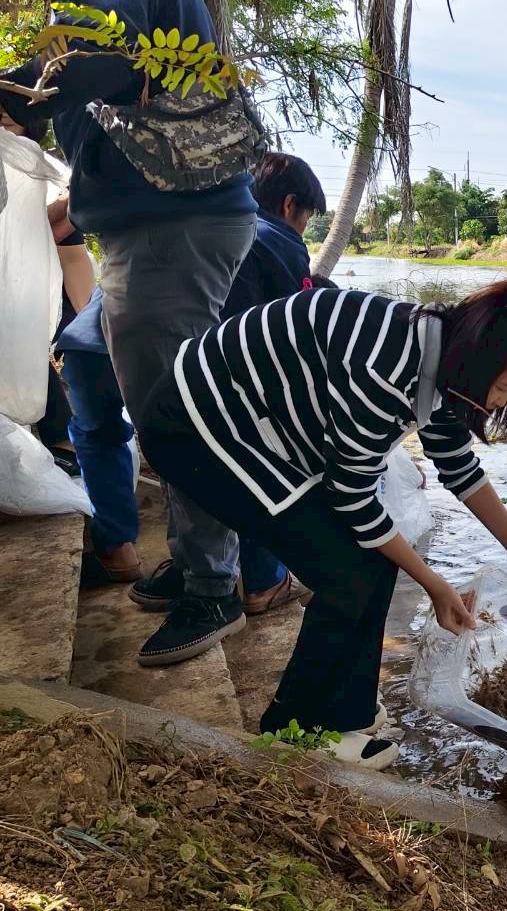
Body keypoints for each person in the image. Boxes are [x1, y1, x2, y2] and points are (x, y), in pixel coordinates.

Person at [136, 280, 507, 769]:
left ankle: (347, 712)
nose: (500, 405)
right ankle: (294, 728)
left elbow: (458, 466)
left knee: (372, 562)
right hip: (196, 424)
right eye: (506, 388)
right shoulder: (384, 371)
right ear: (478, 364)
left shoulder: (442, 358)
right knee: (345, 569)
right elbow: (353, 496)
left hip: (254, 424)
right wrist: (434, 586)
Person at [1, 0, 260, 665]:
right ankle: (196, 560)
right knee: (163, 406)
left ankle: (213, 588)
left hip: (168, 223)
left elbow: (96, 58)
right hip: (177, 217)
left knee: (177, 418)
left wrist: (16, 95)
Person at [59, 153, 330, 603]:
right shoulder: (275, 239)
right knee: (246, 450)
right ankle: (260, 582)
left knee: (106, 439)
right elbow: (288, 333)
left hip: (91, 343)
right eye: (306, 219)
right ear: (288, 206)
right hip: (173, 353)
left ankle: (117, 547)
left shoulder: (188, 218)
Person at [0, 106, 96, 478]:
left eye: (9, 117)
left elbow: (73, 260)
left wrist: (92, 326)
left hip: (38, 303)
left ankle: (62, 443)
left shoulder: (47, 181)